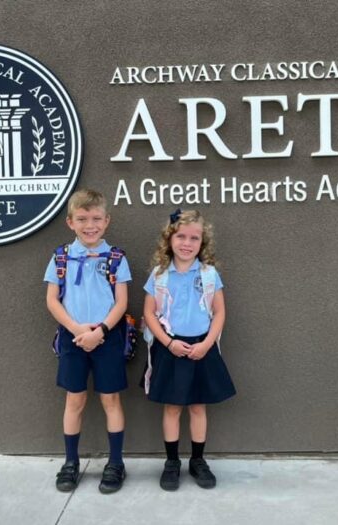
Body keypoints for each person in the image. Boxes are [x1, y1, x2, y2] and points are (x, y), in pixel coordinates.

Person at [142, 209, 236, 491]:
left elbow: (219, 313)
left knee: (197, 407)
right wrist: (169, 343)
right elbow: (149, 313)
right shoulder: (159, 275)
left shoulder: (209, 274)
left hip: (201, 348)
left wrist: (206, 345)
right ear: (170, 239)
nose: (187, 243)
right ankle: (172, 462)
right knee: (172, 408)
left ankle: (197, 460)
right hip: (171, 348)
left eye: (194, 238)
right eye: (181, 236)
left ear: (202, 242)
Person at [44, 189, 131, 494]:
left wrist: (100, 332)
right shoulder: (61, 257)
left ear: (106, 221)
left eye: (96, 218)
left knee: (111, 400)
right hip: (73, 338)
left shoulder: (116, 258)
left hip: (106, 338)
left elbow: (121, 303)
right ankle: (70, 462)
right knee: (75, 399)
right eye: (82, 219)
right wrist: (77, 330)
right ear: (70, 222)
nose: (89, 225)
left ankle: (116, 463)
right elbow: (53, 301)